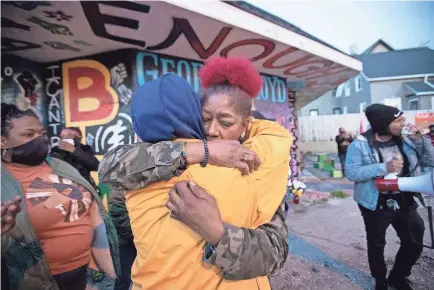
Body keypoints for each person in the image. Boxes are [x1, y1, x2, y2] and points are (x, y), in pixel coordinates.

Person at [101, 58, 291, 289]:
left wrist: (218, 233)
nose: (212, 130)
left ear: (245, 126)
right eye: (206, 119)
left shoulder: (259, 167)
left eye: (226, 122)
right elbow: (111, 167)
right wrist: (203, 151)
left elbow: (275, 252)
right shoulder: (167, 159)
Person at [1, 103, 120, 290]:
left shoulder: (59, 165)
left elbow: (94, 212)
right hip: (38, 283)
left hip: (90, 276)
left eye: (42, 133)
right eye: (28, 134)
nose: (39, 139)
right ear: (3, 142)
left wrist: (103, 274)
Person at [345, 104, 434, 290]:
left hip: (404, 199)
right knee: (377, 244)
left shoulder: (406, 140)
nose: (404, 123)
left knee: (414, 241)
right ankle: (380, 281)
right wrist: (384, 168)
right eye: (398, 120)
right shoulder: (359, 144)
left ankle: (398, 277)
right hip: (375, 201)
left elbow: (429, 162)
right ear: (384, 123)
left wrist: (421, 140)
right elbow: (352, 173)